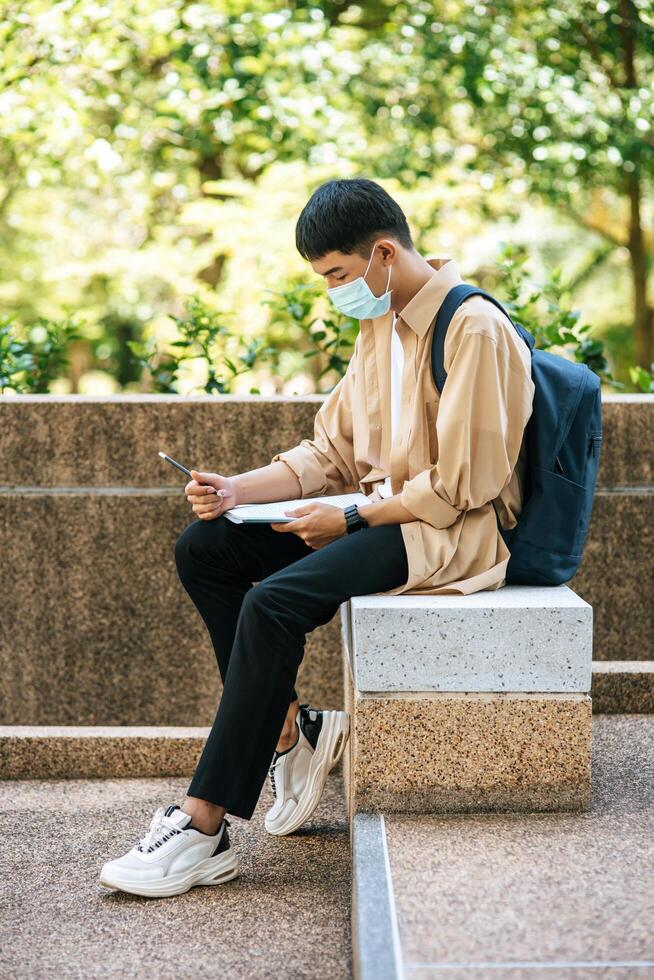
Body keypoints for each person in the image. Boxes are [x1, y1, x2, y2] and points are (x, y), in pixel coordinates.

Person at [99, 177, 535, 898]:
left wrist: (351, 519)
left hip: (447, 534)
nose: (335, 290)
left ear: (384, 254)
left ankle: (202, 825)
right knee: (205, 550)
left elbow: (465, 484)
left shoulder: (472, 328)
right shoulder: (380, 329)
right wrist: (239, 490)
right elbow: (328, 453)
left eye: (337, 274)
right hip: (377, 516)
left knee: (273, 603)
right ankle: (289, 733)